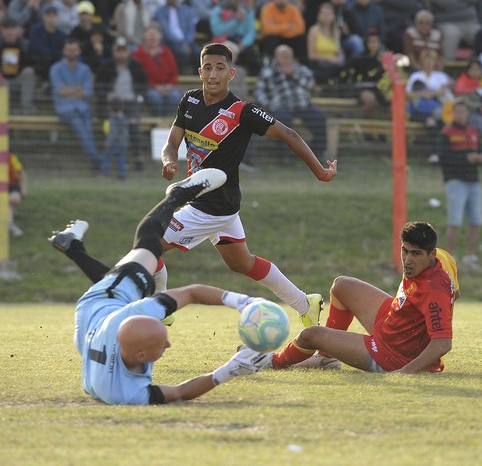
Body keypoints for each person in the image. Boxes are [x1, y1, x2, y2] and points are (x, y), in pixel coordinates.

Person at [48, 168, 272, 405]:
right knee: (140, 260)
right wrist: (232, 369)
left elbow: (191, 292)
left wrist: (245, 302)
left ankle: (176, 196)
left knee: (148, 248)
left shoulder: (139, 316)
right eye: (162, 342)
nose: (168, 343)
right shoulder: (125, 392)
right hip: (91, 326)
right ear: (141, 356)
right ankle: (73, 246)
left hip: (99, 307)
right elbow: (180, 393)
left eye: (162, 340)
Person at [161, 43, 337, 330]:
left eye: (220, 68)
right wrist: (168, 161)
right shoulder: (189, 101)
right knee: (242, 264)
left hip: (211, 206)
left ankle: (160, 307)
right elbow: (171, 143)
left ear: (231, 74)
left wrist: (319, 172)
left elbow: (289, 134)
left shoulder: (241, 111)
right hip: (219, 203)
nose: (213, 74)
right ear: (200, 71)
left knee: (149, 244)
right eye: (208, 68)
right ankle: (306, 303)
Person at [259, 221, 458, 373]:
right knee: (342, 285)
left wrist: (404, 372)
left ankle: (269, 361)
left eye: (416, 254)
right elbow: (454, 291)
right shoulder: (433, 261)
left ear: (432, 255)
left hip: (393, 354)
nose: (408, 260)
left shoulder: (434, 291)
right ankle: (326, 358)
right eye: (404, 251)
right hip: (392, 320)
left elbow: (442, 343)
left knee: (311, 335)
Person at [255, 44, 329, 162]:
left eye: (287, 56)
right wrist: (268, 105)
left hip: (303, 105)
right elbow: (259, 92)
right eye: (282, 56)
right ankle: (286, 156)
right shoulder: (267, 71)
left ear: (292, 56)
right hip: (280, 106)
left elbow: (309, 84)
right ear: (276, 57)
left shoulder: (301, 69)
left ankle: (317, 153)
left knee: (320, 117)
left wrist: (292, 74)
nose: (285, 58)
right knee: (281, 123)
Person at [437, 99, 482, 268]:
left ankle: (470, 257)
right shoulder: (447, 132)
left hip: (474, 181)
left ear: (467, 113)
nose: (461, 115)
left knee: (475, 221)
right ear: (453, 113)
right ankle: (450, 258)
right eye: (457, 111)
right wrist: (465, 158)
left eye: (463, 111)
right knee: (455, 221)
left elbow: (481, 150)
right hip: (455, 181)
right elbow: (443, 157)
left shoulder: (473, 132)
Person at [95, 36, 148, 172]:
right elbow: (99, 87)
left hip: (131, 103)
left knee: (133, 124)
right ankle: (109, 162)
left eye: (123, 50)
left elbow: (143, 86)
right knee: (114, 127)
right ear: (113, 52)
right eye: (118, 50)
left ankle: (138, 159)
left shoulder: (136, 66)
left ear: (128, 51)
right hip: (113, 105)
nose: (121, 53)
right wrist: (108, 94)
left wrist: (138, 97)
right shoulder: (106, 67)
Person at [49, 38, 101, 174]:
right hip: (65, 110)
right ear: (64, 51)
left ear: (79, 51)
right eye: (69, 50)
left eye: (74, 50)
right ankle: (97, 160)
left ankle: (96, 162)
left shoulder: (85, 69)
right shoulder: (56, 69)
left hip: (84, 109)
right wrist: (77, 90)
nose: (71, 52)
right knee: (81, 128)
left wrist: (69, 91)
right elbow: (59, 91)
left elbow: (87, 92)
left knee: (88, 131)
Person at [406, 49, 453, 164]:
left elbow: (445, 93)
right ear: (422, 62)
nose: (428, 64)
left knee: (435, 122)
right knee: (432, 121)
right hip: (419, 110)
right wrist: (424, 94)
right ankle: (437, 153)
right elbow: (408, 94)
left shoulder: (441, 76)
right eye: (426, 61)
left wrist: (432, 94)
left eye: (431, 61)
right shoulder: (415, 76)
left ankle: (438, 154)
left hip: (438, 108)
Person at [0, 17, 36, 115]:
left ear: (18, 30)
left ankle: (26, 110)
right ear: (1, 31)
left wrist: (27, 68)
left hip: (17, 80)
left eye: (12, 28)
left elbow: (33, 64)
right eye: (6, 28)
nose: (10, 32)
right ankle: (4, 113)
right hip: (0, 81)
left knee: (29, 73)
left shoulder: (25, 45)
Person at [131, 25, 183, 118]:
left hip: (168, 87)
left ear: (160, 36)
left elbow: (174, 72)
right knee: (155, 97)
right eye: (150, 34)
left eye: (155, 34)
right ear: (144, 36)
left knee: (175, 96)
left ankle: (164, 120)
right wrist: (155, 87)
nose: (153, 36)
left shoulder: (166, 51)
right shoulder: (138, 53)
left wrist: (170, 85)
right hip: (149, 87)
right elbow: (138, 76)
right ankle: (158, 121)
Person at [209, 0, 259, 75]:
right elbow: (217, 31)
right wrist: (236, 21)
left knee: (251, 57)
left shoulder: (248, 10)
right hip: (225, 40)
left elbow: (251, 32)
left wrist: (243, 44)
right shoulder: (218, 10)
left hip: (242, 41)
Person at [154, 0, 200, 73]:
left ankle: (198, 77)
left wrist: (186, 42)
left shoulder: (186, 10)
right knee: (182, 53)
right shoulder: (160, 12)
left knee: (200, 53)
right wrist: (181, 43)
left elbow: (191, 29)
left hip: (187, 41)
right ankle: (177, 75)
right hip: (170, 42)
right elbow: (166, 31)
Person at [306, 2, 344, 86]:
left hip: (334, 64)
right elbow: (311, 55)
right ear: (319, 15)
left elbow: (337, 51)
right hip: (319, 64)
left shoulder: (336, 32)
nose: (326, 17)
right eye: (324, 14)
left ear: (333, 16)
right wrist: (329, 58)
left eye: (328, 14)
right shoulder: (314, 31)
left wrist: (339, 57)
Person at [27, 3, 67, 80]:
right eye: (48, 15)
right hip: (37, 65)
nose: (51, 18)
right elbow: (39, 49)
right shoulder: (35, 31)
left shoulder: (62, 34)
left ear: (58, 17)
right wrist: (53, 54)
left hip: (55, 65)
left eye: (54, 15)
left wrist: (53, 54)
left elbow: (62, 52)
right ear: (43, 17)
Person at [101, 97, 129, 180]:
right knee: (121, 158)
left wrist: (108, 142)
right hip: (123, 142)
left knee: (106, 156)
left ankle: (106, 173)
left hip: (115, 143)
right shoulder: (123, 117)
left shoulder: (114, 119)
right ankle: (123, 175)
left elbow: (113, 133)